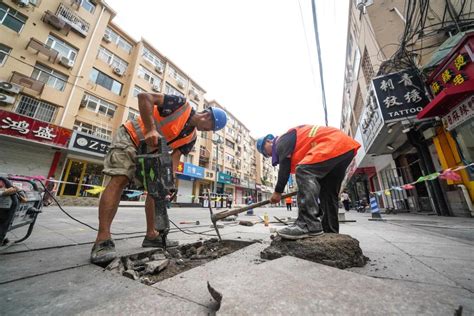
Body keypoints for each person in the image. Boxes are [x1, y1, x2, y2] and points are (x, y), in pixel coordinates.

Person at [90, 93, 228, 264]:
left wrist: (169, 183)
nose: (207, 131)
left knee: (157, 191)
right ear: (207, 115)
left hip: (150, 153)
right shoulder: (179, 104)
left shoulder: (191, 137)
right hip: (131, 137)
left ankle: (152, 235)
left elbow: (174, 160)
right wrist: (150, 129)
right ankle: (102, 240)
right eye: (210, 127)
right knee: (121, 178)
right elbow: (144, 97)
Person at [256, 125, 360, 239]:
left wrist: (277, 192)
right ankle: (330, 232)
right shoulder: (293, 144)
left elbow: (284, 167)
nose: (268, 156)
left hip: (331, 143)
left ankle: (307, 224)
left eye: (265, 152)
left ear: (268, 141)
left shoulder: (281, 141)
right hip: (343, 147)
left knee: (303, 171)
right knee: (327, 193)